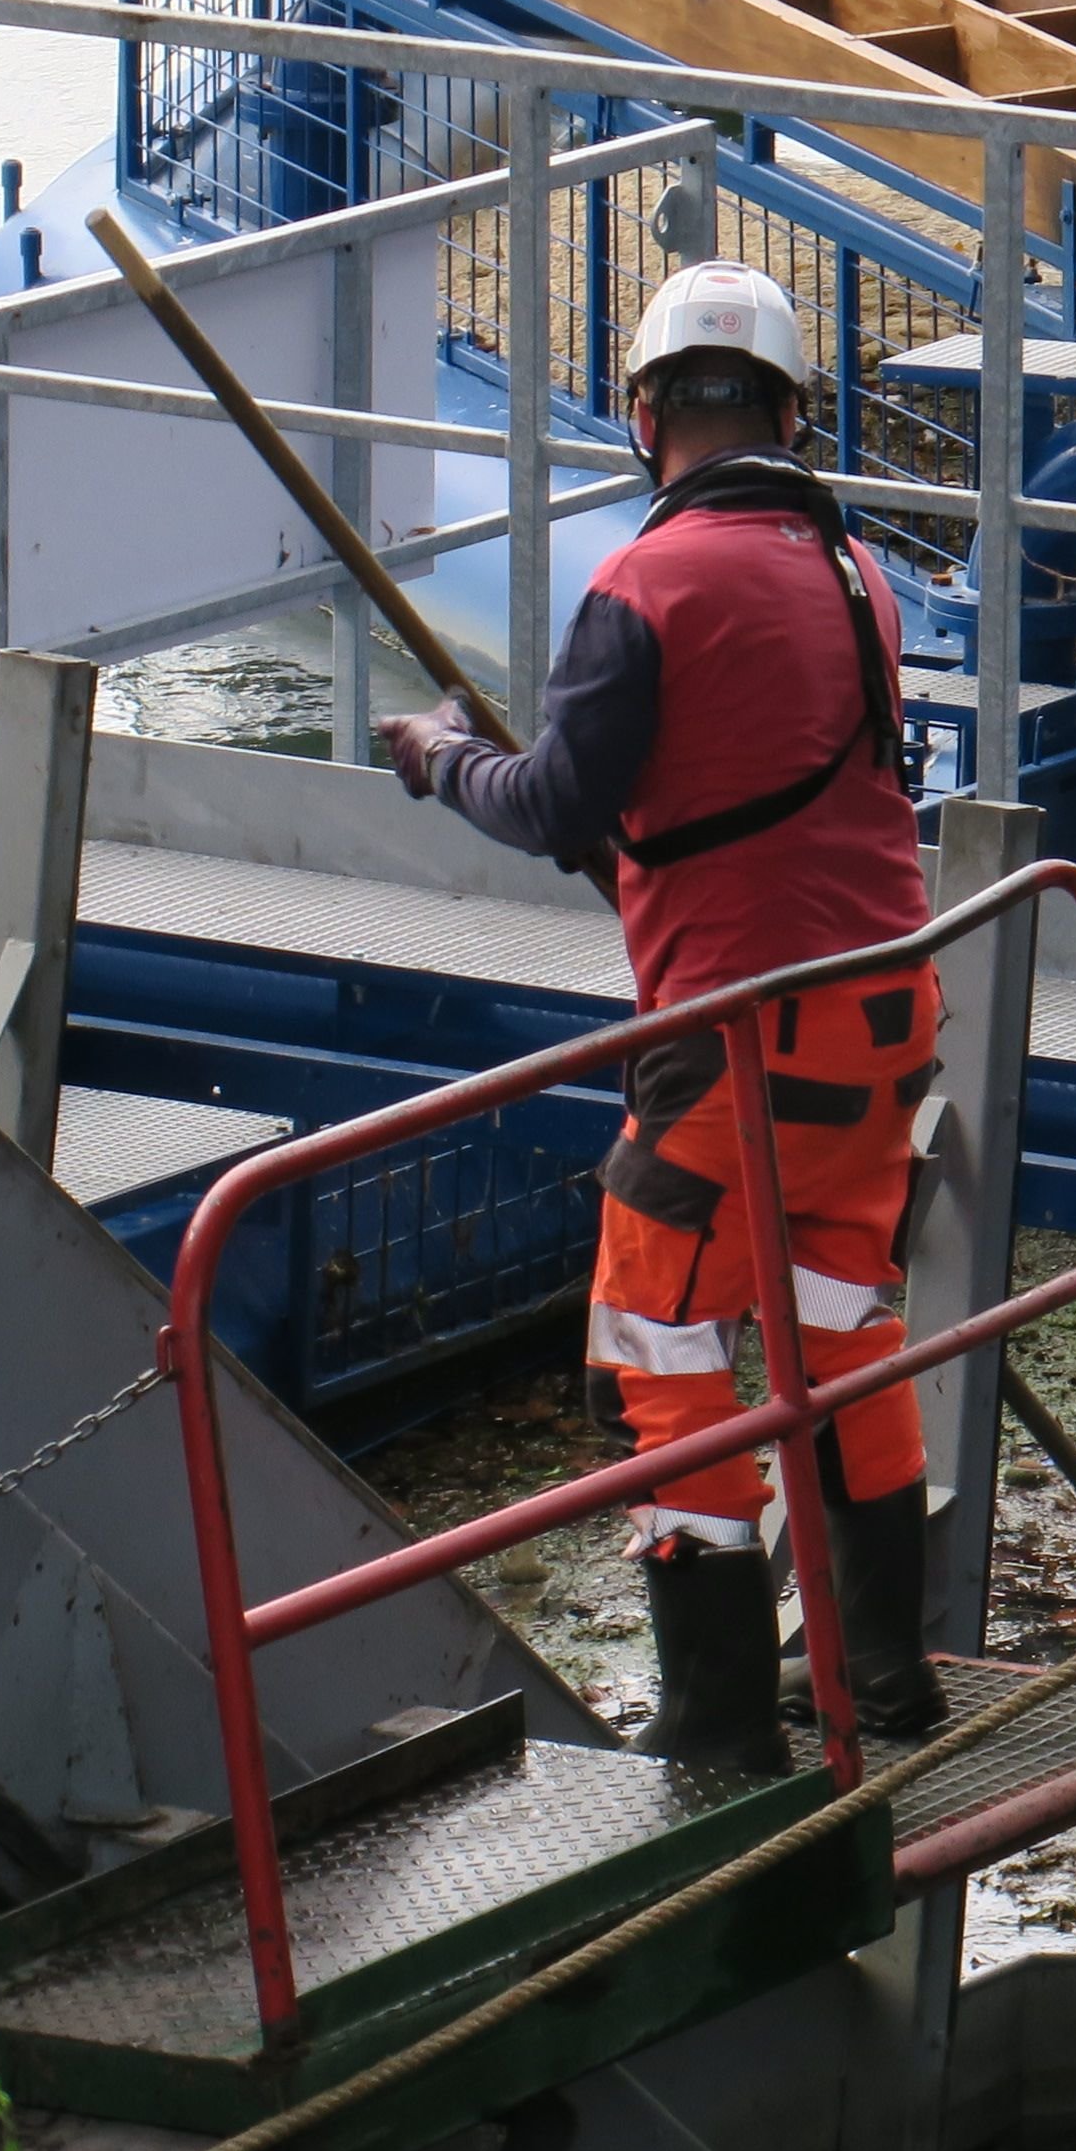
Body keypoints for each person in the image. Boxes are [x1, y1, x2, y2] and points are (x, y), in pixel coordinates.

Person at [375, 259, 948, 1767]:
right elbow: (728, 785)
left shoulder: (643, 585)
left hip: (743, 1046)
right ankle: (887, 1675)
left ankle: (714, 1717)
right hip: (885, 1025)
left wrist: (444, 759)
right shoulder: (858, 576)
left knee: (650, 1341)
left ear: (643, 418)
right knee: (841, 1330)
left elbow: (564, 796)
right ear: (790, 417)